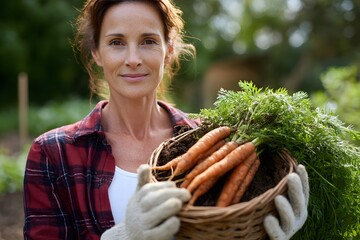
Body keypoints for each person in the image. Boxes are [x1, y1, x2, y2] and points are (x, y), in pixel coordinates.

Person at [23, 0, 309, 239]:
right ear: (97, 52)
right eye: (117, 42)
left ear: (169, 49)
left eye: (148, 41)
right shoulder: (53, 154)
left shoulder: (214, 143)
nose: (133, 58)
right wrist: (123, 237)